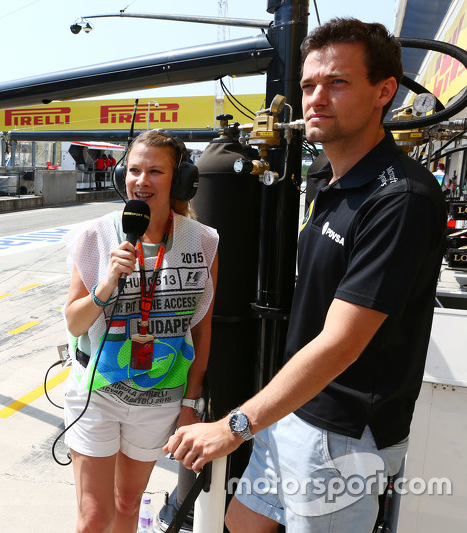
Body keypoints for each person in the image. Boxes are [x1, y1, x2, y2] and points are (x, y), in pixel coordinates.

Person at [164, 18, 446, 532]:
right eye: (310, 85)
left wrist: (236, 424)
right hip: (294, 404)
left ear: (384, 92)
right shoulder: (326, 176)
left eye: (337, 83)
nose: (317, 97)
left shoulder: (400, 198)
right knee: (243, 523)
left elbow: (342, 343)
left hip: (344, 432)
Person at [62, 130, 219, 532]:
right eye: (134, 170)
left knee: (128, 503)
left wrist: (192, 403)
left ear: (179, 179)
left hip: (161, 397)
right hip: (97, 392)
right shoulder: (96, 236)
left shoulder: (202, 242)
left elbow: (201, 331)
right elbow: (75, 321)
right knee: (94, 517)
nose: (142, 181)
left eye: (155, 171)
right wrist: (107, 282)